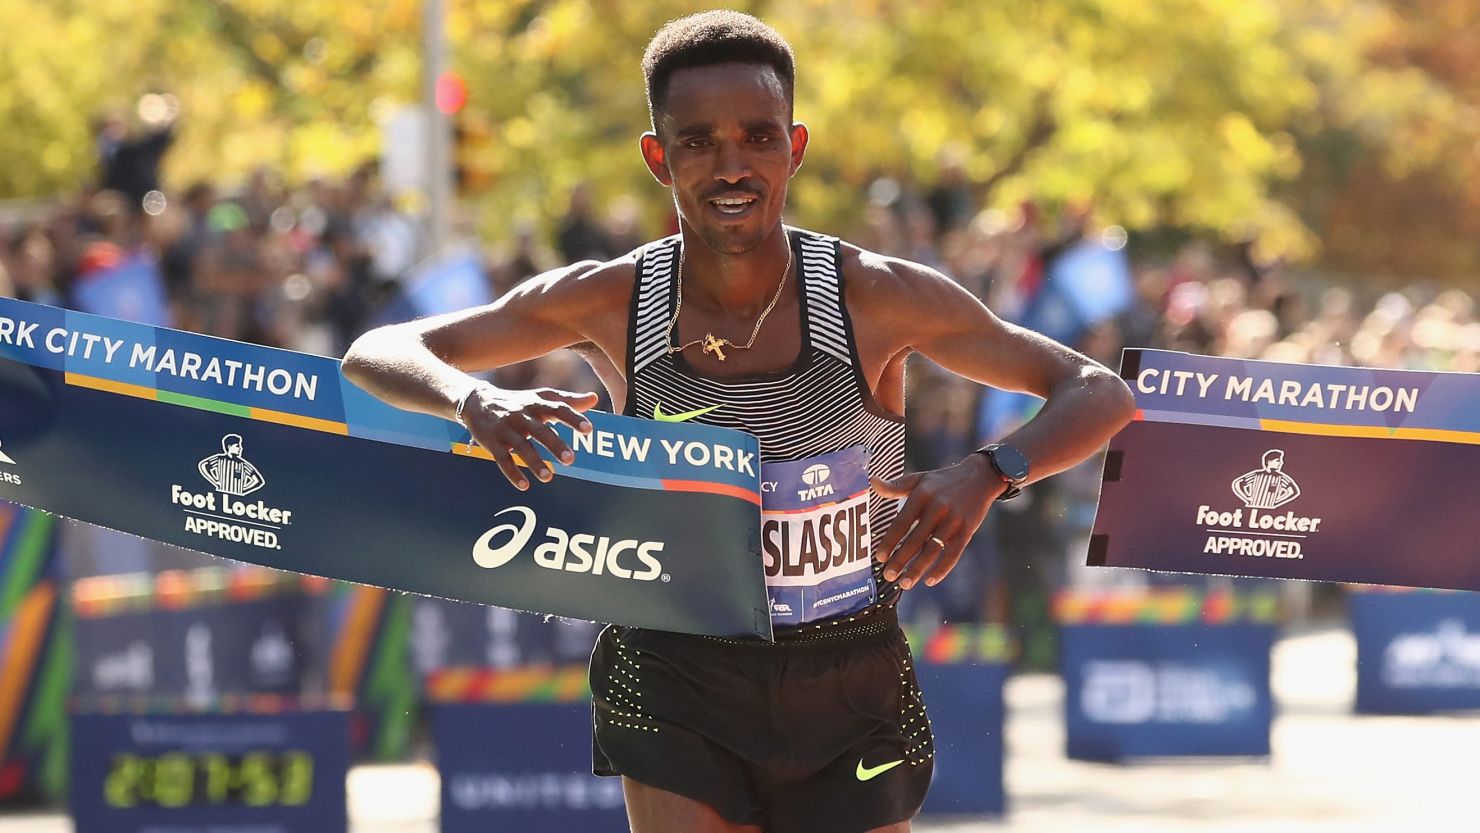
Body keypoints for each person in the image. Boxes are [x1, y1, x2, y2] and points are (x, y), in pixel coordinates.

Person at [342, 11, 1134, 832]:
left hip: (848, 670)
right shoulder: (616, 299)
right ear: (658, 156)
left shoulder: (874, 294)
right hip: (676, 666)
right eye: (698, 143)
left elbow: (1097, 390)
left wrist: (990, 470)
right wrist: (479, 399)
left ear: (795, 148)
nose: (732, 168)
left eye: (757, 139)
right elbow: (380, 348)